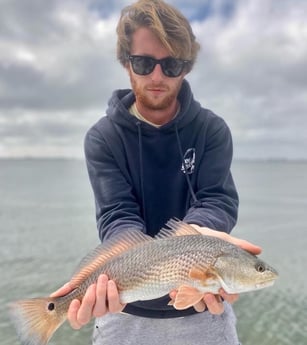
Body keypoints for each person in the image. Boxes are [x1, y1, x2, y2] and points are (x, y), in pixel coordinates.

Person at [53, 0, 261, 344]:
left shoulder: (211, 130)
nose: (157, 76)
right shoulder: (103, 138)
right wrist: (110, 273)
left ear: (186, 67)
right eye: (144, 63)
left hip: (203, 308)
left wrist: (194, 236)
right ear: (126, 63)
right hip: (125, 308)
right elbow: (118, 216)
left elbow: (217, 199)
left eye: (172, 65)